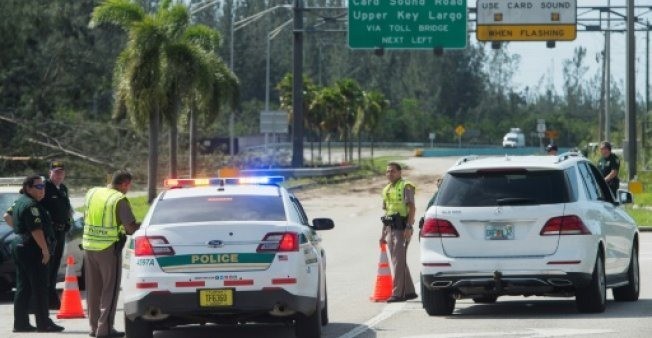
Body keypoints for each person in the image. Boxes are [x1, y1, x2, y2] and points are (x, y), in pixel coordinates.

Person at [3, 175, 64, 333]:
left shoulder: (20, 201)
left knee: (23, 286)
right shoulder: (31, 206)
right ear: (28, 188)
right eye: (38, 187)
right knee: (40, 286)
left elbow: (7, 216)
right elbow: (36, 230)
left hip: (21, 244)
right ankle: (44, 323)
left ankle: (21, 323)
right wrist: (44, 249)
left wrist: (20, 230)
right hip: (33, 247)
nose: (42, 189)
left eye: (43, 186)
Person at [83, 170, 140, 338]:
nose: (128, 189)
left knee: (93, 290)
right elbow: (130, 228)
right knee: (110, 290)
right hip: (108, 248)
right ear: (124, 184)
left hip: (88, 246)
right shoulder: (118, 199)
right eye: (129, 186)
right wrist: (145, 225)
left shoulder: (93, 192)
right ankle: (105, 330)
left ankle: (94, 328)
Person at [379, 162, 417, 303]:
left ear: (400, 173)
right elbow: (387, 213)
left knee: (398, 261)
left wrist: (409, 227)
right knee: (398, 261)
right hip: (390, 229)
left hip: (402, 229)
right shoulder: (386, 189)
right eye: (388, 171)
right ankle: (409, 291)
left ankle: (398, 294)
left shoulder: (406, 186)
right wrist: (382, 234)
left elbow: (412, 208)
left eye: (393, 171)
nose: (390, 174)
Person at [41, 160, 73, 309]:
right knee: (48, 266)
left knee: (55, 266)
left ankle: (51, 297)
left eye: (61, 172)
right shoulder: (45, 188)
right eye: (56, 172)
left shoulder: (63, 188)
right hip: (49, 233)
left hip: (60, 232)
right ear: (50, 173)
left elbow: (66, 208)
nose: (59, 175)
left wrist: (68, 222)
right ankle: (46, 298)